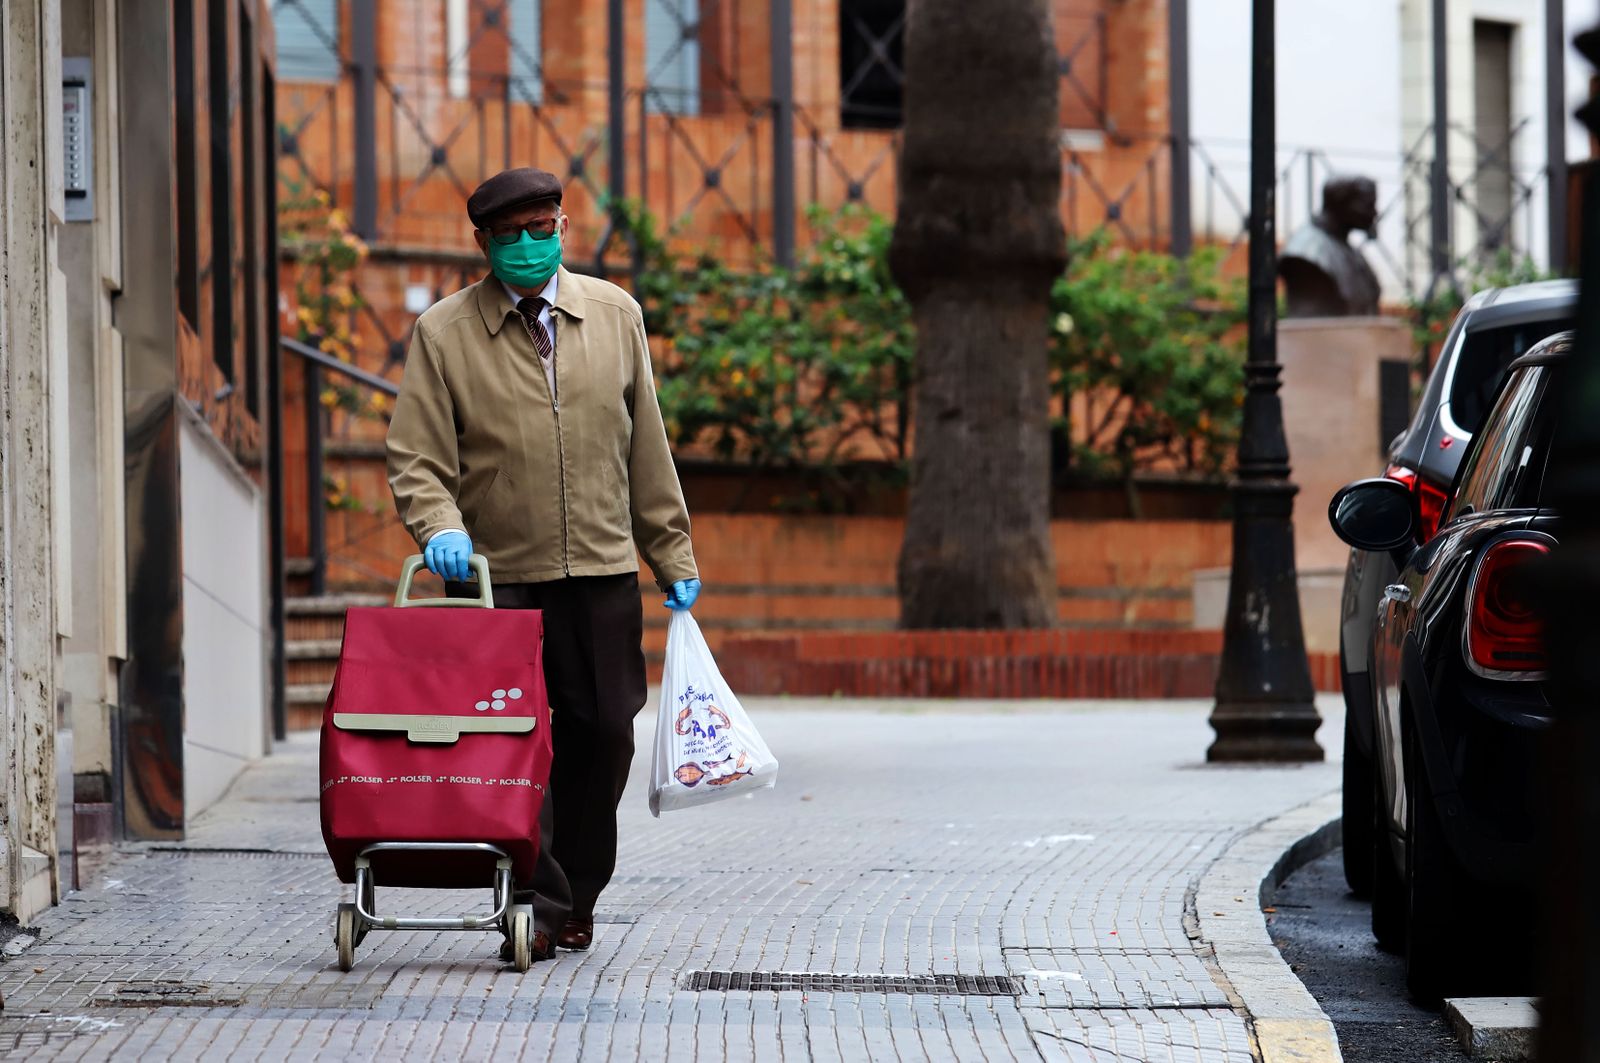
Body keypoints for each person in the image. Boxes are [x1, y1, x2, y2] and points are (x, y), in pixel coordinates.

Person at [386, 166, 701, 961]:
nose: (530, 246)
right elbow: (418, 457)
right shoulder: (445, 333)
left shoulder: (615, 313)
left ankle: (577, 887)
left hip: (598, 567)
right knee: (514, 742)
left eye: (543, 229)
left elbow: (647, 447)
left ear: (564, 225)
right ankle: (538, 896)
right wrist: (439, 528)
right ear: (483, 244)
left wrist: (670, 550)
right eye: (511, 235)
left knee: (604, 735)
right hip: (495, 578)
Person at [1278, 175, 1382, 318]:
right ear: (1342, 203)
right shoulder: (1307, 249)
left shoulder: (1349, 250)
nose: (1374, 213)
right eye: (1368, 205)